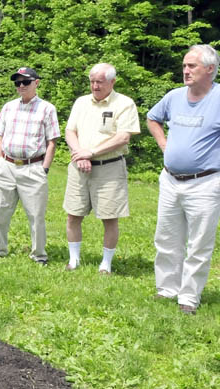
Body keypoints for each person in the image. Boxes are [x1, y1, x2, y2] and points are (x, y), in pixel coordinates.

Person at [147, 44, 220, 315]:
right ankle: (167, 289)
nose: (185, 71)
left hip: (205, 183)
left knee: (199, 242)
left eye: (192, 66)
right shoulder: (175, 96)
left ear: (210, 69)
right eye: (185, 66)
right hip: (170, 181)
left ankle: (189, 296)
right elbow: (153, 118)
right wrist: (164, 144)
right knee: (166, 237)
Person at [63, 63, 140, 274]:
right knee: (73, 214)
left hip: (109, 168)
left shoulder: (124, 103)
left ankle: (106, 264)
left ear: (112, 82)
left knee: (109, 216)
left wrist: (92, 153)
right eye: (92, 81)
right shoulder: (81, 102)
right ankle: (74, 260)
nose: (95, 86)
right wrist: (80, 154)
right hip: (79, 166)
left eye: (100, 82)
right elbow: (70, 131)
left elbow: (123, 137)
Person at [0, 67, 60, 264]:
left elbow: (52, 142)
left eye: (25, 82)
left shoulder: (47, 108)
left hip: (33, 167)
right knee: (0, 210)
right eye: (17, 82)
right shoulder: (9, 107)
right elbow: (0, 137)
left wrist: (44, 169)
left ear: (36, 83)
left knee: (36, 215)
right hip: (7, 166)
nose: (21, 86)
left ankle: (39, 255)